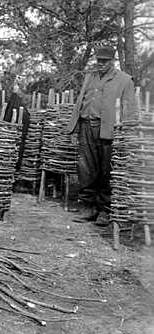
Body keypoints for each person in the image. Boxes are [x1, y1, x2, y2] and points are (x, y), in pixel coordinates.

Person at [68, 46, 135, 226]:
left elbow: (130, 110)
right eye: (98, 60)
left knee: (107, 171)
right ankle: (87, 207)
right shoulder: (90, 77)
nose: (100, 64)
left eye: (104, 61)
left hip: (110, 131)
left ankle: (104, 210)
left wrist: (125, 135)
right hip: (86, 127)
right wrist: (74, 127)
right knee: (85, 169)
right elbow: (81, 101)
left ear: (112, 61)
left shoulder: (124, 80)